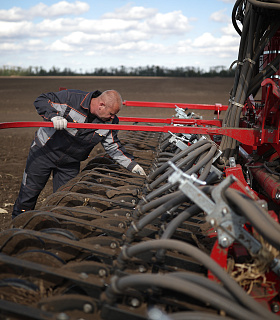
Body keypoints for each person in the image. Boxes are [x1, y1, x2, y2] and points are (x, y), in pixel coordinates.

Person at [12, 89, 146, 219]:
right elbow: (41, 100)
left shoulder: (110, 121)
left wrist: (133, 166)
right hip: (44, 153)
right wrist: (54, 116)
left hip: (70, 163)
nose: (113, 117)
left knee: (64, 201)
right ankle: (16, 228)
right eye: (111, 113)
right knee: (28, 194)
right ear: (101, 105)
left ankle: (55, 231)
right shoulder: (71, 99)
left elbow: (113, 146)